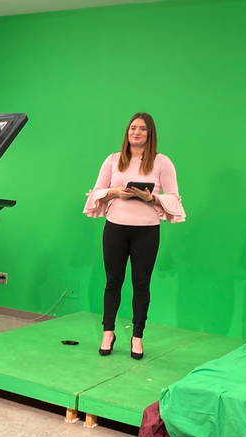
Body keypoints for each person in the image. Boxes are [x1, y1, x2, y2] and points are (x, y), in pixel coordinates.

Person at [84, 112, 185, 360]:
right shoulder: (113, 160)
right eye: (132, 129)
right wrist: (115, 191)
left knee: (141, 284)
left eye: (142, 129)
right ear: (127, 133)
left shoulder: (162, 162)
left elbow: (174, 197)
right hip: (115, 228)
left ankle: (137, 336)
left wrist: (150, 197)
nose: (136, 133)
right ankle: (108, 332)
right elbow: (96, 192)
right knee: (113, 282)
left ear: (150, 134)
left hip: (147, 231)